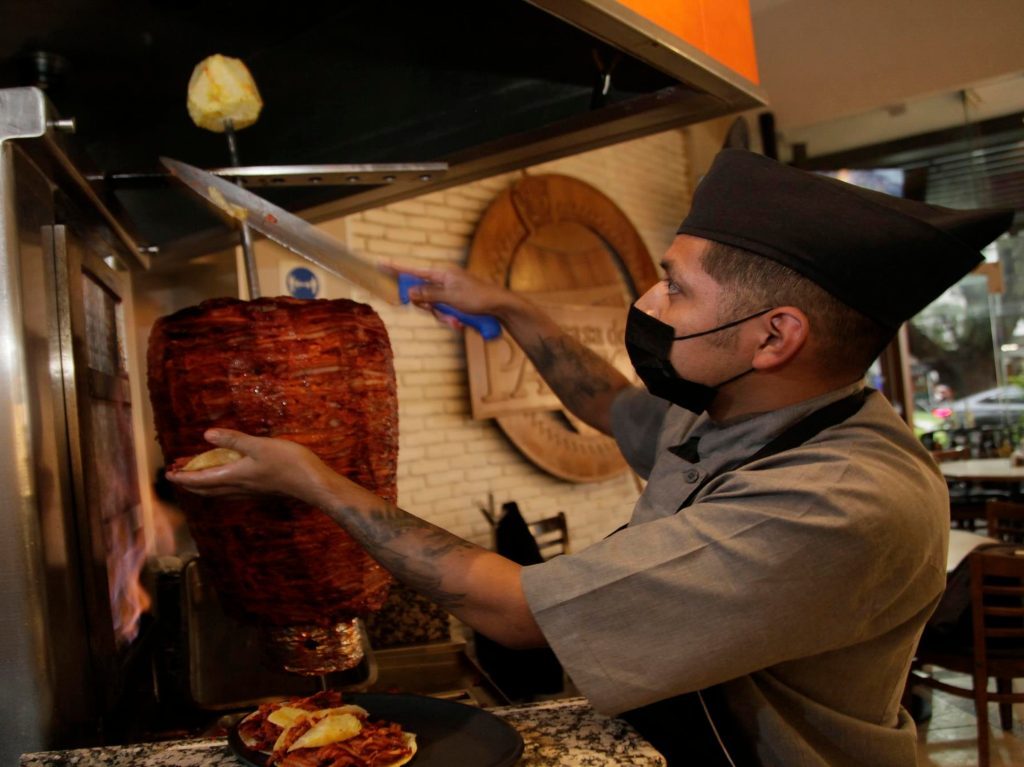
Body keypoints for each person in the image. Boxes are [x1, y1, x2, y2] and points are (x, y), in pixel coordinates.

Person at [168, 149, 1013, 766]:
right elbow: (606, 402)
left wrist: (311, 479)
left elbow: (514, 609)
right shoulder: (735, 410)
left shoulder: (839, 499)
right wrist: (509, 307)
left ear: (773, 336)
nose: (646, 303)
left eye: (675, 287)